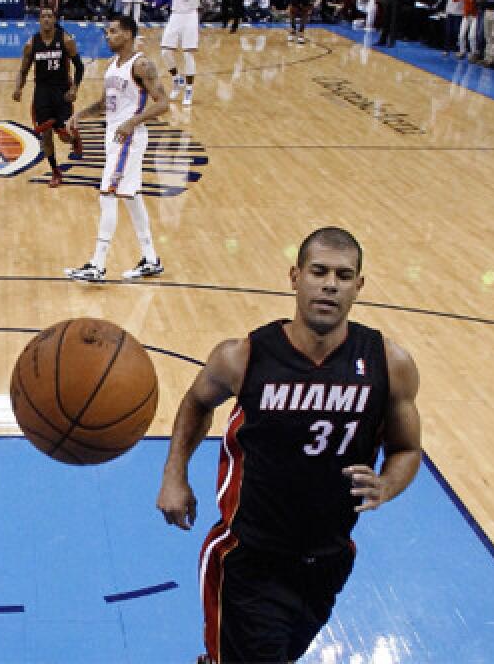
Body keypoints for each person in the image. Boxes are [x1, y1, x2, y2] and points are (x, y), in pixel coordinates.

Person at [156, 227, 422, 664]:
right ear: (295, 277)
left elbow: (407, 449)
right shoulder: (243, 356)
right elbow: (196, 402)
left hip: (329, 558)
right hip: (249, 559)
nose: (330, 284)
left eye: (342, 274)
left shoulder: (389, 364)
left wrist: (388, 485)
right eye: (318, 271)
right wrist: (174, 476)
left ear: (359, 286)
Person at [63, 15, 169, 282]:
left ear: (128, 35)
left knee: (107, 194)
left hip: (128, 138)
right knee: (132, 197)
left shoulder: (141, 64)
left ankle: (97, 265)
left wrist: (132, 122)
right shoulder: (112, 66)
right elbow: (104, 104)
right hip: (114, 136)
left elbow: (162, 103)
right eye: (107, 31)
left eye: (113, 31)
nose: (108, 35)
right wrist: (81, 115)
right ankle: (151, 259)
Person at [133, 0, 233, 107]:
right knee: (165, 52)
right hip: (176, 15)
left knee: (188, 54)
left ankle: (189, 89)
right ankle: (177, 79)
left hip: (191, 15)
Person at [12, 6, 85, 187]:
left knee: (64, 136)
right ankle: (55, 172)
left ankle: (75, 138)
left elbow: (80, 67)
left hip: (61, 91)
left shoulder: (66, 41)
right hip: (42, 92)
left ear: (54, 20)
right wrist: (18, 88)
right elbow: (23, 70)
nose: (46, 19)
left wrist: (74, 88)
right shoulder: (31, 44)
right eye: (43, 16)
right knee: (46, 135)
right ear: (39, 20)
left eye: (49, 16)